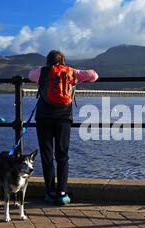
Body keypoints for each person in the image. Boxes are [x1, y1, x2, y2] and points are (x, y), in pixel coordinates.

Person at [28, 50, 98, 205]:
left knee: (47, 155)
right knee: (62, 155)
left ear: (47, 61)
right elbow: (94, 76)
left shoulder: (43, 71)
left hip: (44, 117)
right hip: (64, 117)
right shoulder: (72, 72)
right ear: (63, 61)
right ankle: (62, 192)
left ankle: (50, 192)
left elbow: (30, 76)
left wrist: (44, 70)